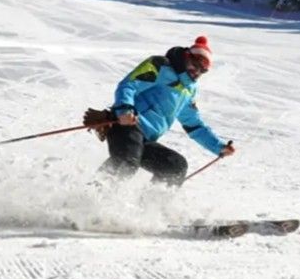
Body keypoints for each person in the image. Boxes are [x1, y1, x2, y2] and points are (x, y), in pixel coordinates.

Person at [99, 36, 235, 185]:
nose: (196, 72)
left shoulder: (189, 89)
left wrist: (218, 147)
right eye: (195, 65)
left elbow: (193, 124)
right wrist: (124, 110)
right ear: (186, 56)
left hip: (146, 139)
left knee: (176, 167)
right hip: (126, 124)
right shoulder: (160, 65)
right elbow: (129, 85)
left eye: (202, 70)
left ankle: (151, 206)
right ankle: (90, 197)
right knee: (128, 161)